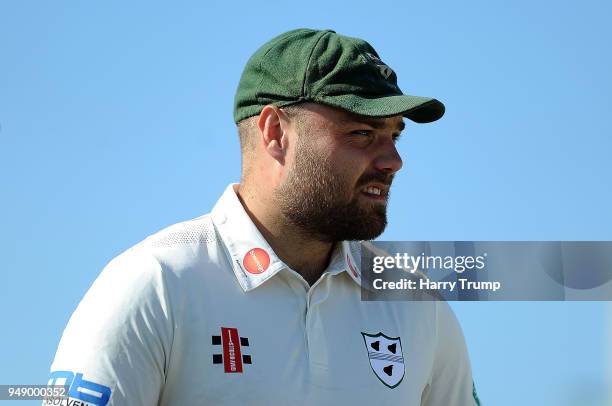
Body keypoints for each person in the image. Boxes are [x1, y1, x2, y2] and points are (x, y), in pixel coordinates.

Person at [45, 28, 481, 405]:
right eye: (362, 133)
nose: (392, 160)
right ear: (275, 133)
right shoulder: (155, 282)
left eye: (395, 136)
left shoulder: (419, 306)